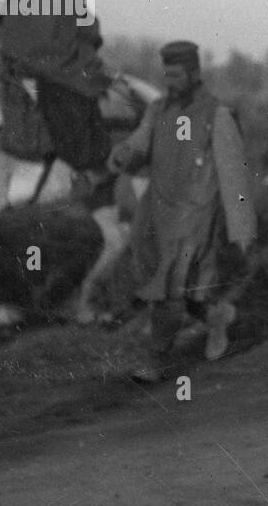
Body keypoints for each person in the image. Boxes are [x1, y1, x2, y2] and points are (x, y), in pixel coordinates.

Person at [108, 41, 257, 382]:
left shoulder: (217, 115)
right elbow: (138, 145)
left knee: (170, 286)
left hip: (195, 216)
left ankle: (156, 360)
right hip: (156, 213)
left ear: (194, 73)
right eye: (167, 75)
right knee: (173, 285)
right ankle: (217, 315)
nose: (170, 81)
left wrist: (242, 228)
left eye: (177, 75)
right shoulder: (157, 110)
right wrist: (122, 156)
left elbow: (235, 176)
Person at [0, 0, 112, 195]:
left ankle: (84, 172)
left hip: (62, 66)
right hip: (21, 63)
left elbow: (53, 25)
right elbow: (9, 10)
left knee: (64, 104)